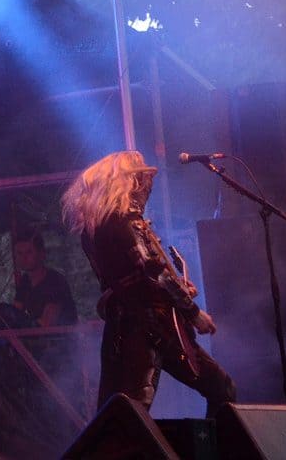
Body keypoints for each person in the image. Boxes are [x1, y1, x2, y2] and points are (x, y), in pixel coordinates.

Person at [61, 150, 235, 413]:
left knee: (120, 412)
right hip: (151, 325)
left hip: (125, 325)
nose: (149, 186)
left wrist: (176, 291)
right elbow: (154, 273)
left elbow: (130, 277)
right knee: (220, 389)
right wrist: (193, 312)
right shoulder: (124, 220)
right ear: (131, 181)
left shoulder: (95, 228)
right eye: (145, 179)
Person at [11, 229, 77, 328]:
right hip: (39, 335)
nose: (23, 258)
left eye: (29, 252)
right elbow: (15, 314)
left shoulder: (55, 281)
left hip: (63, 336)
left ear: (41, 254)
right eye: (19, 253)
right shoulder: (25, 281)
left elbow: (47, 323)